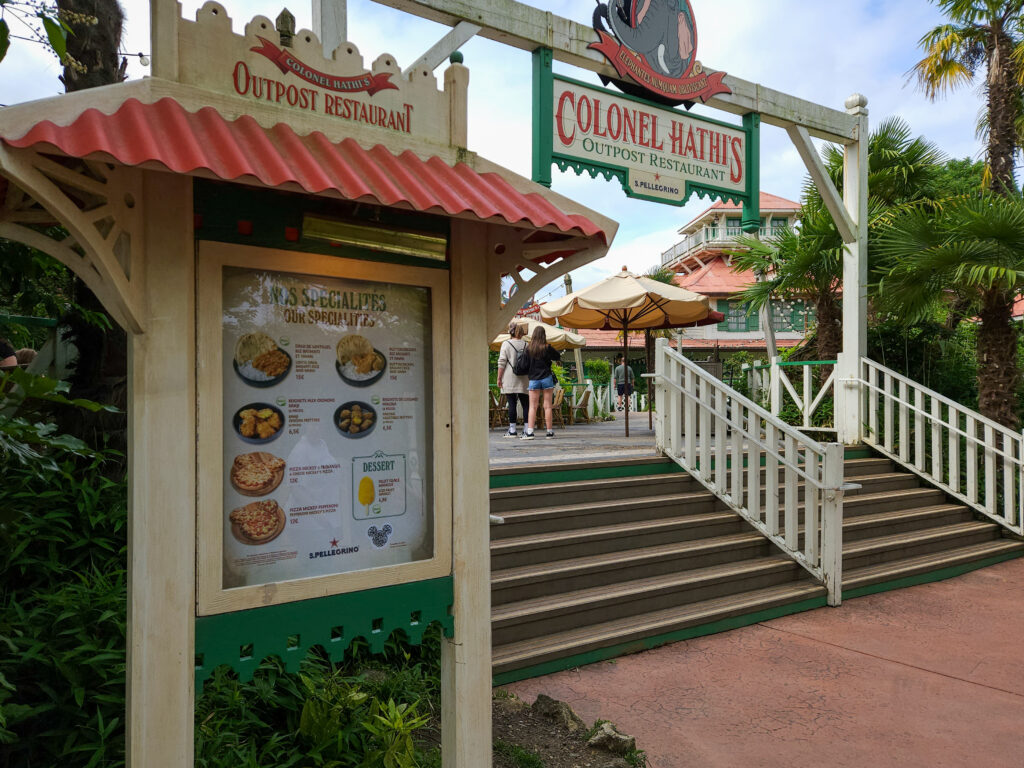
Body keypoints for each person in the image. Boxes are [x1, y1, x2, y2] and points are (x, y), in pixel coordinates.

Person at [522, 326, 560, 440]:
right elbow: (558, 356)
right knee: (547, 406)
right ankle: (549, 432)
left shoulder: (529, 349)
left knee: (533, 406)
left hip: (533, 379)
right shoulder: (547, 347)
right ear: (544, 336)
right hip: (546, 378)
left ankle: (530, 432)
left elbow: (525, 364)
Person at [496, 321, 529, 437]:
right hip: (525, 378)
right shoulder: (526, 344)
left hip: (509, 377)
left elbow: (502, 363)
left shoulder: (506, 344)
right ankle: (526, 430)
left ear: (511, 331)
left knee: (512, 403)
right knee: (526, 404)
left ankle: (512, 430)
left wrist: (499, 378)